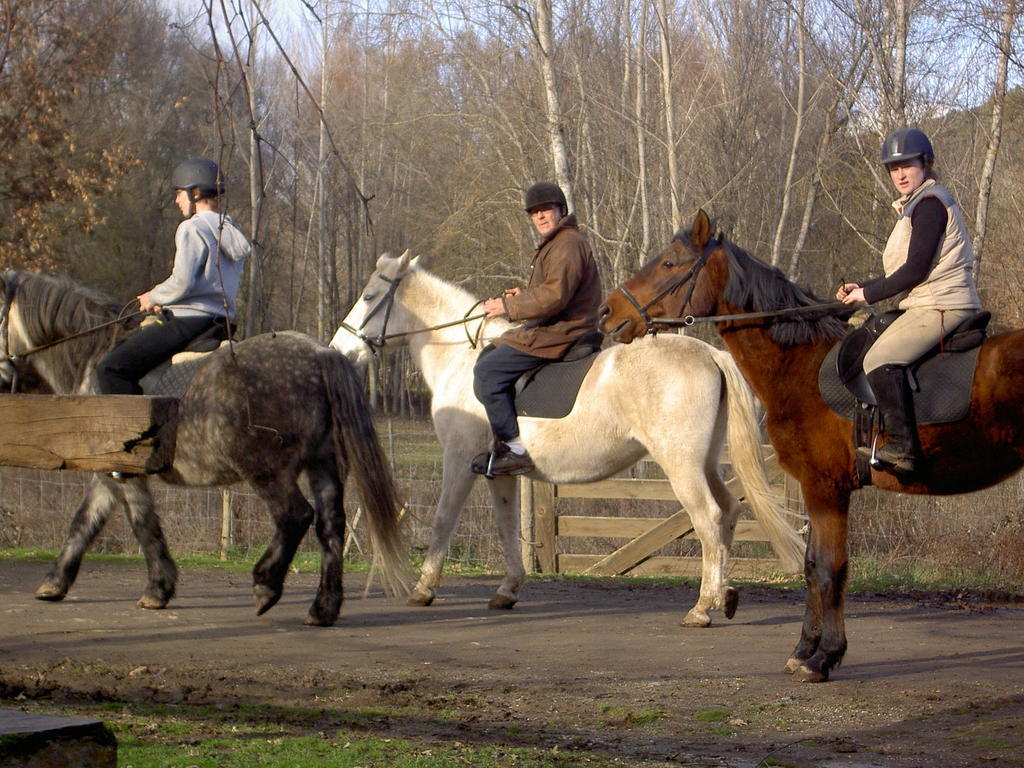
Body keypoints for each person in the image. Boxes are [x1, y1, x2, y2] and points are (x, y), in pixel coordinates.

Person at [836, 128, 980, 475]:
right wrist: (863, 286)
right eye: (893, 168)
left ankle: (903, 447)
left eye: (907, 166)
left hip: (943, 303)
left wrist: (866, 296)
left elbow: (915, 271)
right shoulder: (915, 205)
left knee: (880, 358)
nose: (899, 174)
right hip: (927, 301)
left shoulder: (929, 205)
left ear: (926, 164)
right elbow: (905, 269)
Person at [471, 181, 602, 476]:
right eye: (534, 213)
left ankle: (515, 450)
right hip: (553, 325)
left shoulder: (567, 243)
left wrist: (508, 308)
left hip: (564, 330)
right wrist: (523, 297)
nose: (540, 216)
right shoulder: (557, 244)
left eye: (546, 210)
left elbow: (555, 296)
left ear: (561, 211)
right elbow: (551, 290)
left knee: (488, 371)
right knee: (492, 350)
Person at [96, 158, 250, 395]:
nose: (176, 200)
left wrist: (153, 297)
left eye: (179, 193)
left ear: (196, 193)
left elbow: (183, 282)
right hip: (221, 322)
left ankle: (141, 431)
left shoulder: (192, 228)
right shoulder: (230, 230)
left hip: (188, 323)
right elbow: (208, 285)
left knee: (111, 369)